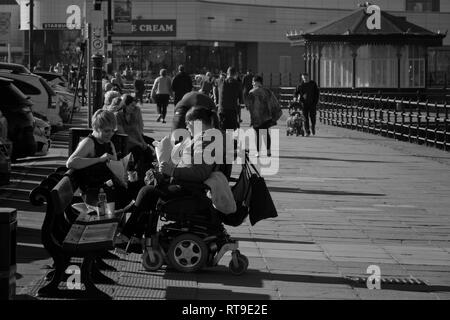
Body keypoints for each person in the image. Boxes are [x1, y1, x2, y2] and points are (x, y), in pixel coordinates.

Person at [115, 106, 217, 247]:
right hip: (187, 185)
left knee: (147, 192)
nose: (186, 126)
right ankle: (136, 236)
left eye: (188, 123)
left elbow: (200, 173)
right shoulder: (204, 138)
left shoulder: (206, 141)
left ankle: (128, 235)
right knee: (147, 189)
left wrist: (172, 171)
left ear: (197, 121)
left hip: (189, 189)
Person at [66, 110, 132, 208]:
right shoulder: (89, 142)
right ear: (96, 128)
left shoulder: (109, 143)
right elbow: (70, 163)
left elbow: (115, 168)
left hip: (106, 190)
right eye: (106, 131)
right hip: (95, 195)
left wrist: (123, 177)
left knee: (138, 192)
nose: (110, 134)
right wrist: (99, 159)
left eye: (113, 130)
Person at [115, 94, 155, 181]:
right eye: (132, 106)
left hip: (134, 140)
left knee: (147, 151)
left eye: (134, 106)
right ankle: (136, 175)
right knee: (138, 151)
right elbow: (124, 135)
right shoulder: (118, 115)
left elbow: (136, 130)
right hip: (123, 142)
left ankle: (148, 173)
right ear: (125, 104)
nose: (133, 108)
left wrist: (143, 142)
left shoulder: (132, 115)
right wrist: (139, 143)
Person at [247, 75, 275, 157]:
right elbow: (273, 102)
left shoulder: (251, 92)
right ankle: (268, 151)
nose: (252, 83)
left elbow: (250, 106)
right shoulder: (267, 91)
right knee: (266, 133)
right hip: (266, 116)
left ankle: (258, 152)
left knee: (258, 134)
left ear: (258, 82)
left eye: (253, 81)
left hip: (257, 117)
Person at [216, 67, 243, 131]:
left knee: (222, 130)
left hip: (221, 110)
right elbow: (240, 99)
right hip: (232, 111)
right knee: (230, 132)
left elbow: (213, 83)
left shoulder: (220, 81)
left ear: (227, 73)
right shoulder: (238, 84)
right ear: (236, 74)